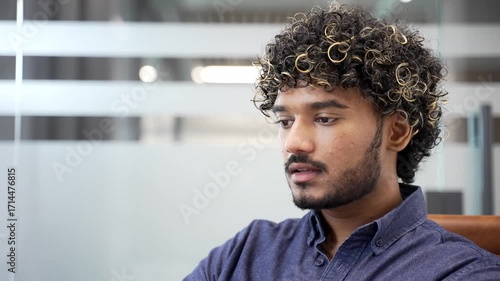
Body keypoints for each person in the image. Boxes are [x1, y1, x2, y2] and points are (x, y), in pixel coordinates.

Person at [184, 3, 500, 280]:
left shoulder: (461, 272)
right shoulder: (244, 256)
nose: (294, 144)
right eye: (285, 122)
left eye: (324, 119)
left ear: (398, 132)